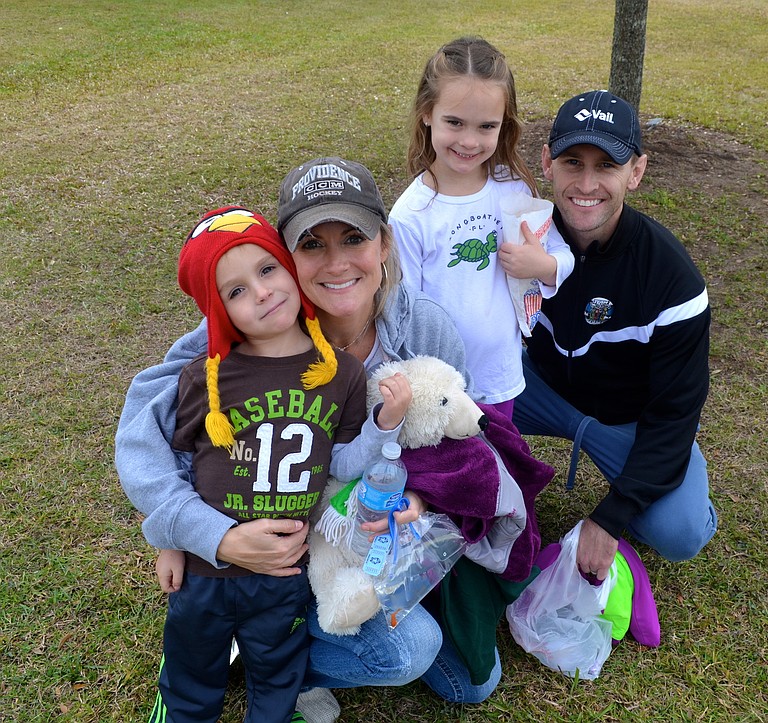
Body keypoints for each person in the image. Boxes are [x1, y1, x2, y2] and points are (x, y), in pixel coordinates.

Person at [115, 158, 500, 723]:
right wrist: (192, 533)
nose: (337, 262)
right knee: (409, 649)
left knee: (469, 682)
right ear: (287, 257)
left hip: (359, 540)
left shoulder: (424, 327)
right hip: (262, 543)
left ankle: (266, 658)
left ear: (384, 242)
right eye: (312, 245)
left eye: (354, 238)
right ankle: (225, 653)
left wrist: (420, 500)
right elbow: (158, 433)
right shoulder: (248, 322)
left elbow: (460, 447)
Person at [141, 205, 412, 723]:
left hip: (286, 568)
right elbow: (178, 461)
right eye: (236, 291)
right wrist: (170, 540)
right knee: (191, 668)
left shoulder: (341, 374)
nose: (262, 292)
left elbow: (343, 462)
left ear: (288, 268)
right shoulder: (206, 376)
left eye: (267, 269)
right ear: (218, 312)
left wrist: (385, 424)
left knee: (278, 672)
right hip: (205, 568)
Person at [512, 90, 718, 584]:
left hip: (630, 421)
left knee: (680, 531)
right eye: (572, 162)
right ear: (547, 162)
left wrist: (610, 517)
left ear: (636, 172)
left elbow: (675, 413)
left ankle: (679, 484)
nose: (586, 184)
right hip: (538, 390)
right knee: (458, 398)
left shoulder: (671, 277)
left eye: (607, 165)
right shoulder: (520, 237)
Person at [389, 36, 574, 419]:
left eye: (486, 126)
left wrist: (543, 266)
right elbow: (404, 313)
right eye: (455, 122)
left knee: (498, 456)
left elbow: (561, 254)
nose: (469, 141)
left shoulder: (513, 189)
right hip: (440, 390)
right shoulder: (411, 215)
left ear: (503, 125)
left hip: (500, 374)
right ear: (427, 113)